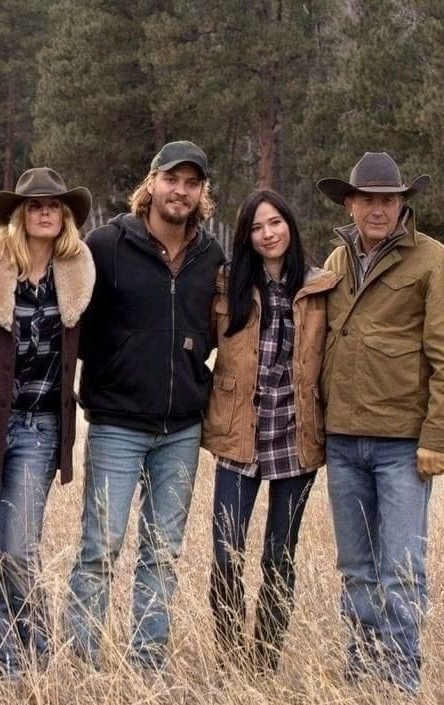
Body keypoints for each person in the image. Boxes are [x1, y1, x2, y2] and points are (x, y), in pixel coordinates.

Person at [66, 141, 225, 670]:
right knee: (100, 550)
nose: (180, 190)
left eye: (192, 182)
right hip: (116, 423)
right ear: (151, 182)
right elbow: (76, 324)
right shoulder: (107, 244)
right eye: (171, 179)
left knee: (162, 554)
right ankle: (84, 662)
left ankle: (146, 663)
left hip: (181, 428)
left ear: (202, 193)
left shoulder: (210, 256)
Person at [0, 167, 94, 679]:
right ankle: (8, 664)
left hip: (38, 430)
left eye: (54, 205)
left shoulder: (78, 275)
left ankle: (38, 652)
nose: (44, 211)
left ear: (64, 217)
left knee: (19, 551)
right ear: (18, 214)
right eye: (34, 204)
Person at [317, 152, 444, 694]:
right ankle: (362, 671)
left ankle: (400, 679)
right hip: (343, 440)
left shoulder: (433, 260)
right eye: (367, 198)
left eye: (388, 199)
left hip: (402, 445)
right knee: (357, 569)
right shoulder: (337, 260)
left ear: (402, 204)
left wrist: (435, 439)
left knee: (401, 569)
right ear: (350, 203)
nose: (377, 208)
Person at [202, 190, 338, 673]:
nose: (268, 234)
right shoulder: (226, 285)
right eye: (257, 227)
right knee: (225, 553)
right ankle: (231, 658)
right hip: (240, 435)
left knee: (280, 557)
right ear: (247, 237)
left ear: (290, 227)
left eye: (275, 223)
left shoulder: (322, 286)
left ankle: (265, 661)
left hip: (296, 439)